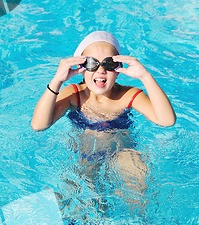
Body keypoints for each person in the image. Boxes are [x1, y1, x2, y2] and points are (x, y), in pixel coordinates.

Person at [31, 31, 176, 198]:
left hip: (122, 153)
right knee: (79, 192)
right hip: (86, 156)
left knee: (136, 176)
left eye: (109, 64)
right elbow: (38, 125)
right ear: (81, 67)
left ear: (118, 68)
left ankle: (140, 221)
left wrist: (145, 76)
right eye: (92, 63)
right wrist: (57, 80)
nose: (101, 71)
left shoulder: (128, 95)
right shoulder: (74, 95)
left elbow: (167, 121)